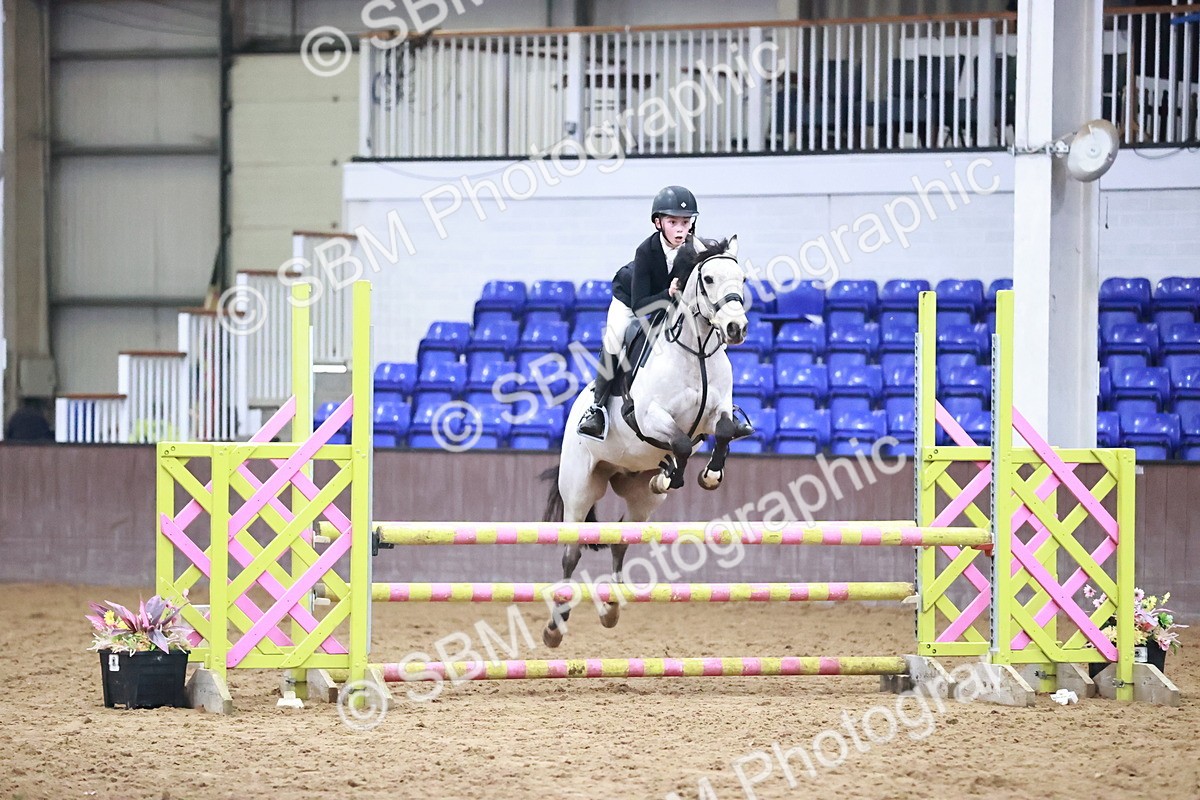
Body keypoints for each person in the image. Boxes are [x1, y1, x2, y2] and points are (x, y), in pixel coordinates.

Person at [577, 186, 699, 441]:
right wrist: (668, 293)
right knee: (616, 338)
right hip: (632, 299)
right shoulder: (645, 250)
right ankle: (597, 409)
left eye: (685, 222)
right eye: (673, 222)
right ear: (658, 223)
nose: (680, 229)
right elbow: (641, 307)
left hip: (669, 301)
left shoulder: (694, 250)